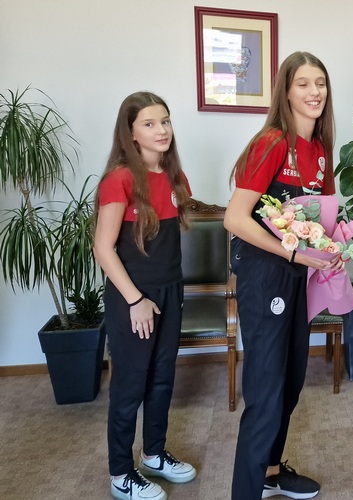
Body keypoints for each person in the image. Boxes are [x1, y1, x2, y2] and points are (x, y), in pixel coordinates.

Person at [224, 51, 342, 500]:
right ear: (286, 93)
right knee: (266, 391)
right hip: (265, 275)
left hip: (297, 277)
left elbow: (321, 221)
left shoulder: (321, 151)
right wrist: (292, 253)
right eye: (303, 84)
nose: (315, 92)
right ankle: (246, 490)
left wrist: (333, 250)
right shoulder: (272, 142)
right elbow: (235, 218)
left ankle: (271, 472)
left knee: (291, 382)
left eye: (320, 83)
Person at [93, 92, 196, 500]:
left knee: (162, 378)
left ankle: (153, 454)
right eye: (149, 124)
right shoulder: (119, 179)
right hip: (132, 297)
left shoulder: (175, 177)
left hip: (171, 292)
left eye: (165, 121)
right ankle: (121, 472)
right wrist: (136, 301)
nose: (161, 130)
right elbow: (103, 249)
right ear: (131, 133)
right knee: (130, 385)